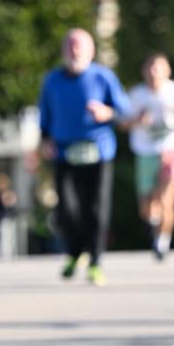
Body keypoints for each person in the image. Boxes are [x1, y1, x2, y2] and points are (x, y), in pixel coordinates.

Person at [39, 29, 131, 285]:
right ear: (63, 51)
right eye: (70, 46)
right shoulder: (52, 80)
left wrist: (107, 112)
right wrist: (45, 140)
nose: (74, 51)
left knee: (96, 210)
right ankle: (74, 252)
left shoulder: (103, 77)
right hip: (64, 153)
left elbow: (125, 110)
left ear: (91, 51)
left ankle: (95, 262)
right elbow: (44, 115)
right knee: (67, 210)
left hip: (98, 152)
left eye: (79, 46)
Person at [126, 53, 174, 259]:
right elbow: (122, 123)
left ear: (167, 71)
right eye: (150, 67)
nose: (154, 72)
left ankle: (162, 242)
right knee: (146, 207)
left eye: (158, 67)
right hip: (145, 152)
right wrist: (138, 120)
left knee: (166, 199)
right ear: (144, 71)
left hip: (173, 150)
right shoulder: (136, 94)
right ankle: (154, 223)